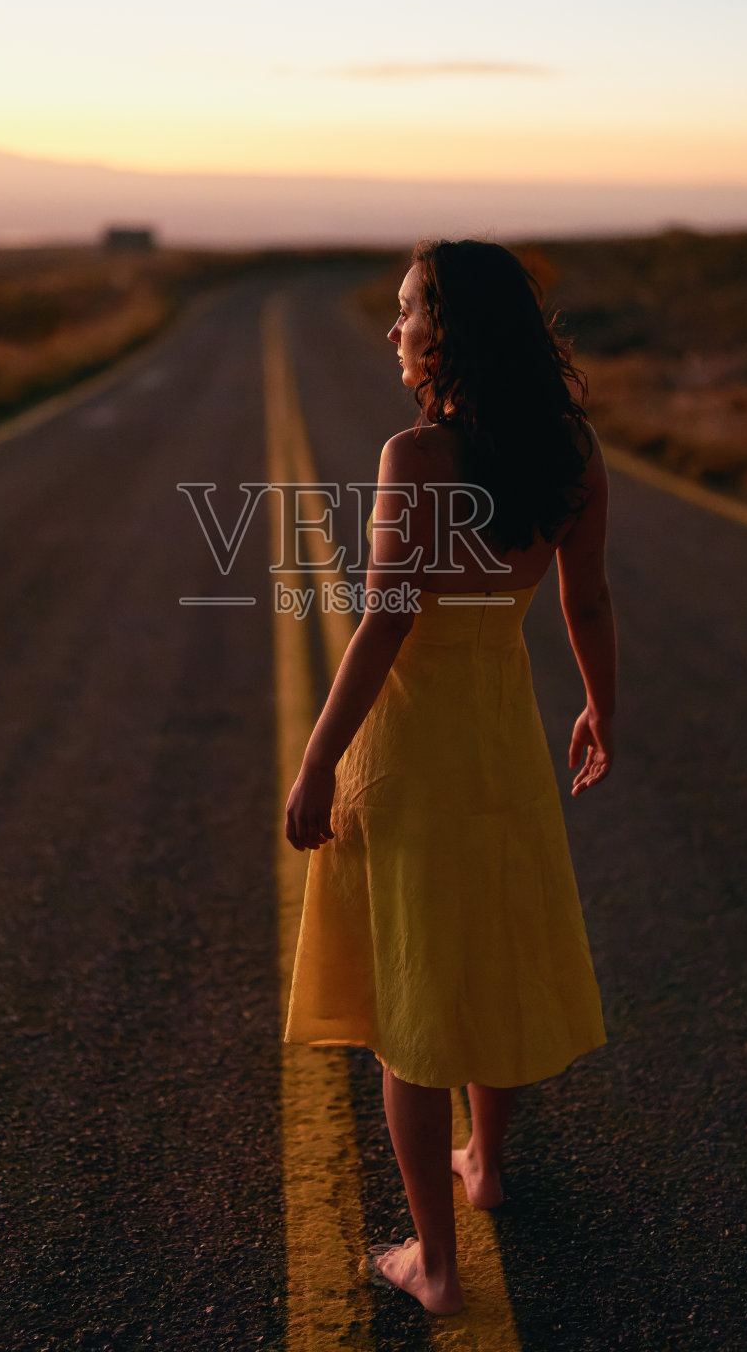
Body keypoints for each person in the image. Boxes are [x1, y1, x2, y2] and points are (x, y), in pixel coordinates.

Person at [283, 239, 615, 1316]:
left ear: (447, 331)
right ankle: (487, 1162)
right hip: (503, 744)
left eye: (405, 310)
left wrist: (317, 758)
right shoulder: (569, 448)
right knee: (488, 952)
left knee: (410, 1006)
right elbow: (587, 601)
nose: (391, 330)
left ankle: (434, 1260)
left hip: (414, 750)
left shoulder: (416, 455)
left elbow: (385, 620)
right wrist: (601, 707)